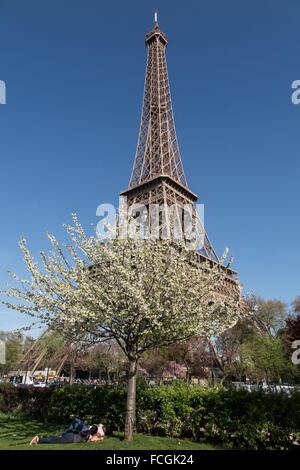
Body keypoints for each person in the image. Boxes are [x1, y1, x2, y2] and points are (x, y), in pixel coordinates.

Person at [29, 417, 105, 445]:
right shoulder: (87, 432)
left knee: (56, 439)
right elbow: (92, 431)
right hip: (71, 437)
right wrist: (89, 434)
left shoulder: (90, 434)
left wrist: (99, 438)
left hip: (71, 436)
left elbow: (96, 438)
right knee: (56, 440)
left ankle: (40, 439)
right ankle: (38, 439)